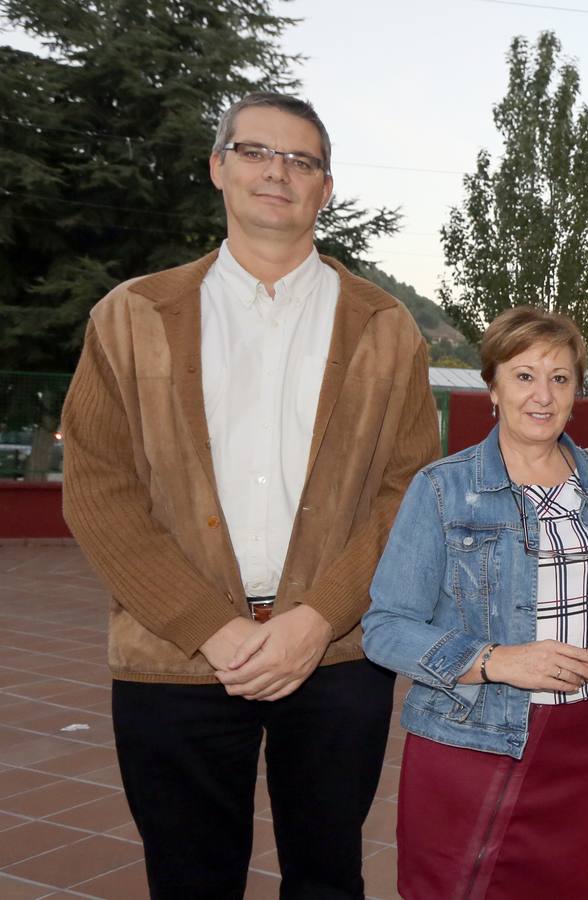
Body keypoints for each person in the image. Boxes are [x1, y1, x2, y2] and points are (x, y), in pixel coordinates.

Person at [59, 91, 439, 897]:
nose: (278, 172)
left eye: (301, 161)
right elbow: (99, 487)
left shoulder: (384, 326)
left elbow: (407, 492)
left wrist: (318, 617)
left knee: (329, 877)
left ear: (324, 189)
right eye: (257, 152)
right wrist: (210, 629)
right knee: (190, 881)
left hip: (335, 657)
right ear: (218, 167)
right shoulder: (130, 316)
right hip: (175, 657)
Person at [362, 306, 588, 898]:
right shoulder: (443, 489)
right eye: (524, 375)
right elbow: (385, 627)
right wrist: (496, 661)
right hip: (474, 746)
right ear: (493, 386)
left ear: (578, 391)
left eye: (560, 378)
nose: (542, 395)